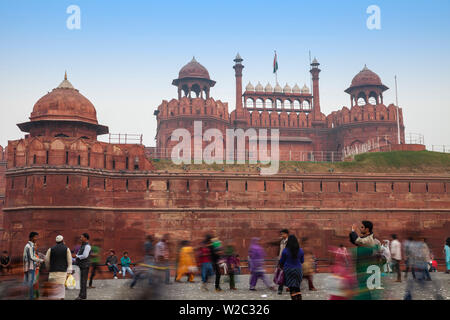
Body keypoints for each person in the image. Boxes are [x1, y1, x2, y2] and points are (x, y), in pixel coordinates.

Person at [349, 220, 382, 300]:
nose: (360, 229)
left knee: (364, 287)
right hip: (363, 266)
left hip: (366, 267)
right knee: (363, 287)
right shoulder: (367, 238)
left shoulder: (369, 240)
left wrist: (353, 231)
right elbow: (355, 241)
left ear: (367, 229)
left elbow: (357, 241)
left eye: (362, 227)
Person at [44, 235, 72, 299]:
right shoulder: (66, 249)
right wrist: (69, 272)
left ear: (56, 241)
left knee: (53, 290)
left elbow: (47, 261)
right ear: (63, 241)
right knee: (61, 290)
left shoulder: (50, 249)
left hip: (52, 273)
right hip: (62, 273)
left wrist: (48, 269)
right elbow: (70, 262)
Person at [279, 235, 304, 300]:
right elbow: (302, 261)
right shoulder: (301, 250)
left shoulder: (285, 250)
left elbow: (281, 261)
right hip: (298, 270)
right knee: (297, 286)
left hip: (288, 270)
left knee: (292, 287)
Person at [23, 231, 44, 300]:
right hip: (30, 267)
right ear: (32, 238)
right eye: (36, 237)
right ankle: (31, 298)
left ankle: (32, 297)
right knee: (31, 284)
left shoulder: (28, 245)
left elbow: (25, 258)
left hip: (29, 267)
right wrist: (41, 260)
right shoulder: (30, 246)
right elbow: (31, 257)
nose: (37, 239)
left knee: (31, 283)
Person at [75, 233, 91, 300]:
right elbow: (79, 254)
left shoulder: (87, 246)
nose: (80, 238)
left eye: (82, 237)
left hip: (85, 265)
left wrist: (77, 256)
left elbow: (85, 255)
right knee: (82, 281)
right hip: (82, 265)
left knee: (83, 281)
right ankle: (82, 295)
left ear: (85, 238)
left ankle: (82, 296)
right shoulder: (83, 245)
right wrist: (75, 257)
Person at [277, 229, 289, 294]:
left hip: (288, 260)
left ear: (286, 234)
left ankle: (289, 287)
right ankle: (280, 289)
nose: (281, 235)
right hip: (282, 260)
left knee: (288, 274)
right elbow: (280, 251)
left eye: (282, 234)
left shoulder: (290, 241)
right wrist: (279, 259)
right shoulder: (281, 241)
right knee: (281, 274)